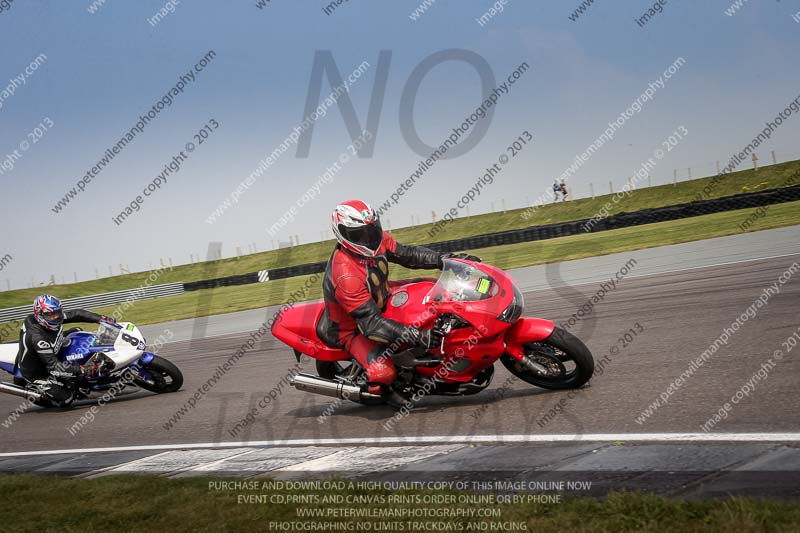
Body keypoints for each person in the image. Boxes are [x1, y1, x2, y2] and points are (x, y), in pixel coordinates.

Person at [320, 200, 478, 403]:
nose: (369, 239)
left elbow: (408, 255)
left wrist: (446, 261)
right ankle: (383, 391)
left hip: (382, 295)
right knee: (383, 373)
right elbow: (371, 324)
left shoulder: (378, 241)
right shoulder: (345, 275)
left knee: (435, 289)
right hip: (352, 327)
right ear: (342, 234)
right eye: (360, 234)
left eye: (371, 231)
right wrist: (418, 336)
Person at [15, 294, 115, 406]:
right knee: (67, 398)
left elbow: (77, 314)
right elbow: (54, 366)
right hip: (38, 371)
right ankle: (41, 389)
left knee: (77, 331)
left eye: (57, 312)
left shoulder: (53, 318)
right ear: (40, 315)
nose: (55, 317)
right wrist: (83, 370)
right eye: (50, 315)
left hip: (51, 348)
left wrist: (102, 319)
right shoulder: (37, 338)